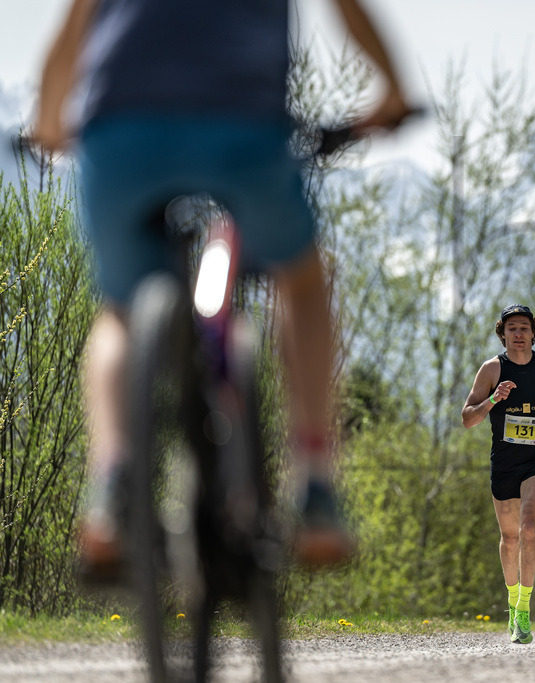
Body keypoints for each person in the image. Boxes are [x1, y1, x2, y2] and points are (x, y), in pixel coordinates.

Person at [33, 0, 415, 576]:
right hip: (242, 128)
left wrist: (49, 120)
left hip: (122, 132)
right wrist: (392, 93)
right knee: (302, 278)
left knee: (119, 313)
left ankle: (111, 486)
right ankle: (314, 484)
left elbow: (73, 30)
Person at [461, 304, 535, 645]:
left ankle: (524, 609)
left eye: (524, 327)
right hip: (505, 463)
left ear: (533, 332)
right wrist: (493, 400)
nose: (518, 333)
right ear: (503, 333)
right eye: (511, 328)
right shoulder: (492, 369)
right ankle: (512, 600)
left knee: (529, 528)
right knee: (510, 538)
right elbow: (467, 419)